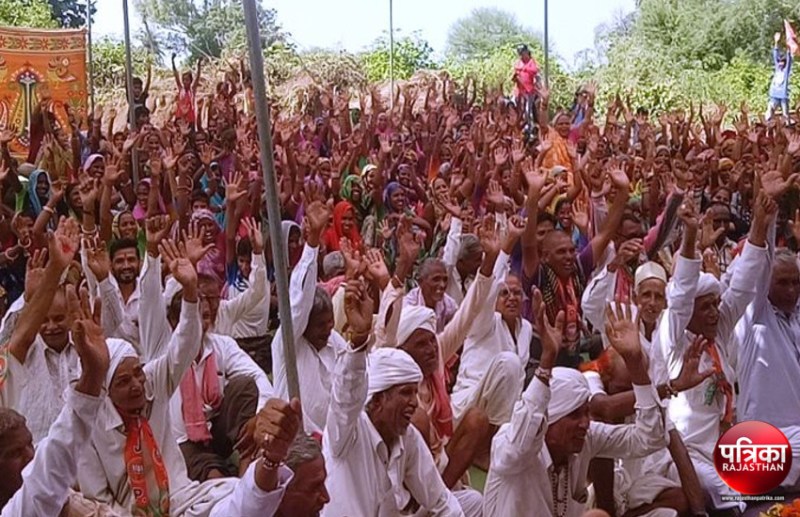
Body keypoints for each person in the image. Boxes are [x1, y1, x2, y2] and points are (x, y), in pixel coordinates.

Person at [483, 290, 668, 517]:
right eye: (574, 415)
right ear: (549, 418)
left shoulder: (588, 437)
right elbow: (516, 449)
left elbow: (650, 438)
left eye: (586, 413)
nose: (585, 423)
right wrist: (547, 361)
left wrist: (635, 364)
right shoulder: (510, 440)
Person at [656, 192, 773, 514]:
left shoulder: (717, 331)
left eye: (715, 305)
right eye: (705, 307)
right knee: (734, 496)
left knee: (773, 466)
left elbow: (743, 287)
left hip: (725, 447)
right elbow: (681, 296)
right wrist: (691, 235)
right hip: (684, 455)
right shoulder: (673, 339)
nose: (714, 313)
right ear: (688, 313)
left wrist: (760, 225)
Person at [322, 276, 466, 516]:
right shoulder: (347, 433)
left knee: (470, 502)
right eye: (405, 393)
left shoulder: (407, 437)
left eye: (414, 392)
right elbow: (346, 395)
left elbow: (440, 499)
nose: (414, 402)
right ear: (378, 400)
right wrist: (359, 339)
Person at [513, 44, 540, 133]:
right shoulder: (518, 62)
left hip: (529, 90)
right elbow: (516, 70)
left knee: (528, 110)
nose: (522, 55)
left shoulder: (531, 62)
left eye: (523, 53)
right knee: (514, 106)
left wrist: (524, 69)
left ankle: (529, 127)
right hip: (519, 90)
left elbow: (535, 70)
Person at [767, 32, 793, 121]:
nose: (780, 64)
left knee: (785, 114)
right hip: (774, 94)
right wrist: (776, 43)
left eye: (782, 62)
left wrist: (789, 49)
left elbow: (789, 60)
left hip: (783, 95)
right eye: (779, 62)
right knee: (769, 112)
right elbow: (775, 56)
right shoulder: (777, 69)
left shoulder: (785, 71)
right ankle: (768, 125)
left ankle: (787, 125)